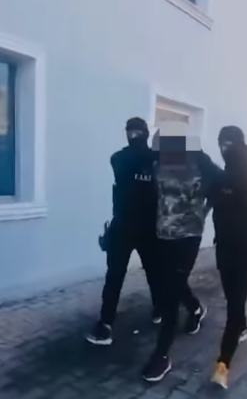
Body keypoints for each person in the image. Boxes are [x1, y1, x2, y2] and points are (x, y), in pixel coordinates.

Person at [141, 124, 222, 382]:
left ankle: (161, 355)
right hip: (162, 234)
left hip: (188, 236)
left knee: (170, 293)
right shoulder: (158, 162)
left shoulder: (200, 163)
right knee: (172, 282)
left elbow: (220, 184)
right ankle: (195, 308)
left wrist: (204, 210)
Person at [86, 117, 163, 346]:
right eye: (133, 132)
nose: (133, 136)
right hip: (140, 227)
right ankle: (110, 322)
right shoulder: (154, 159)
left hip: (129, 226)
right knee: (146, 273)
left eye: (134, 132)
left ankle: (106, 324)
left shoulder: (120, 158)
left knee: (118, 276)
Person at [211, 126, 247, 389]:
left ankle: (223, 364)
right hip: (224, 246)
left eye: (228, 145)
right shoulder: (225, 174)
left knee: (234, 303)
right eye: (221, 144)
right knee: (232, 296)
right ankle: (242, 327)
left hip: (244, 250)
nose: (224, 149)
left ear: (238, 144)